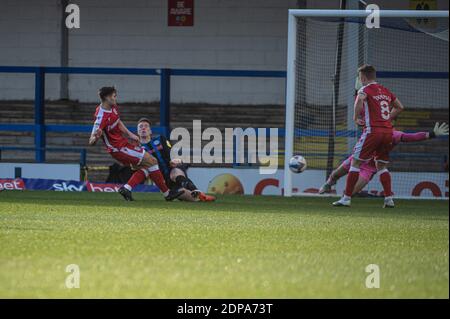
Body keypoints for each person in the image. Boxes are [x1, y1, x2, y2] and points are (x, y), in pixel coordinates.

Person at [88, 86, 183, 201]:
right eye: (114, 96)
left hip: (124, 144)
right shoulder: (100, 117)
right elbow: (91, 141)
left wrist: (130, 135)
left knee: (146, 166)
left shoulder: (113, 107)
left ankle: (127, 188)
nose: (115, 98)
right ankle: (167, 194)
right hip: (118, 149)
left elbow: (118, 122)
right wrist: (96, 137)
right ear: (107, 98)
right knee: (152, 161)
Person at [333, 64, 405, 208]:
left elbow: (359, 100)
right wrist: (387, 119)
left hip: (373, 131)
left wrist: (354, 118)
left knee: (355, 163)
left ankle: (346, 198)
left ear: (363, 77)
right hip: (387, 132)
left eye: (360, 78)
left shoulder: (364, 89)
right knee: (381, 166)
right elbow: (400, 107)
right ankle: (389, 199)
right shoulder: (385, 90)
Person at [320, 123, 449, 195]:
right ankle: (328, 184)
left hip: (369, 168)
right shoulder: (371, 125)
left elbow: (411, 137)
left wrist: (432, 134)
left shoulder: (394, 135)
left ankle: (342, 204)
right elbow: (360, 110)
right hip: (357, 158)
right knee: (336, 174)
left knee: (352, 192)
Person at [136, 118, 216, 202]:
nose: (143, 128)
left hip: (172, 167)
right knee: (191, 198)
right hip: (163, 179)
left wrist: (173, 160)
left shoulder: (160, 139)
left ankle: (196, 190)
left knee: (174, 174)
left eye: (146, 126)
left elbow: (170, 152)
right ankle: (201, 197)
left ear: (150, 131)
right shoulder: (139, 150)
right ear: (138, 132)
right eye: (140, 127)